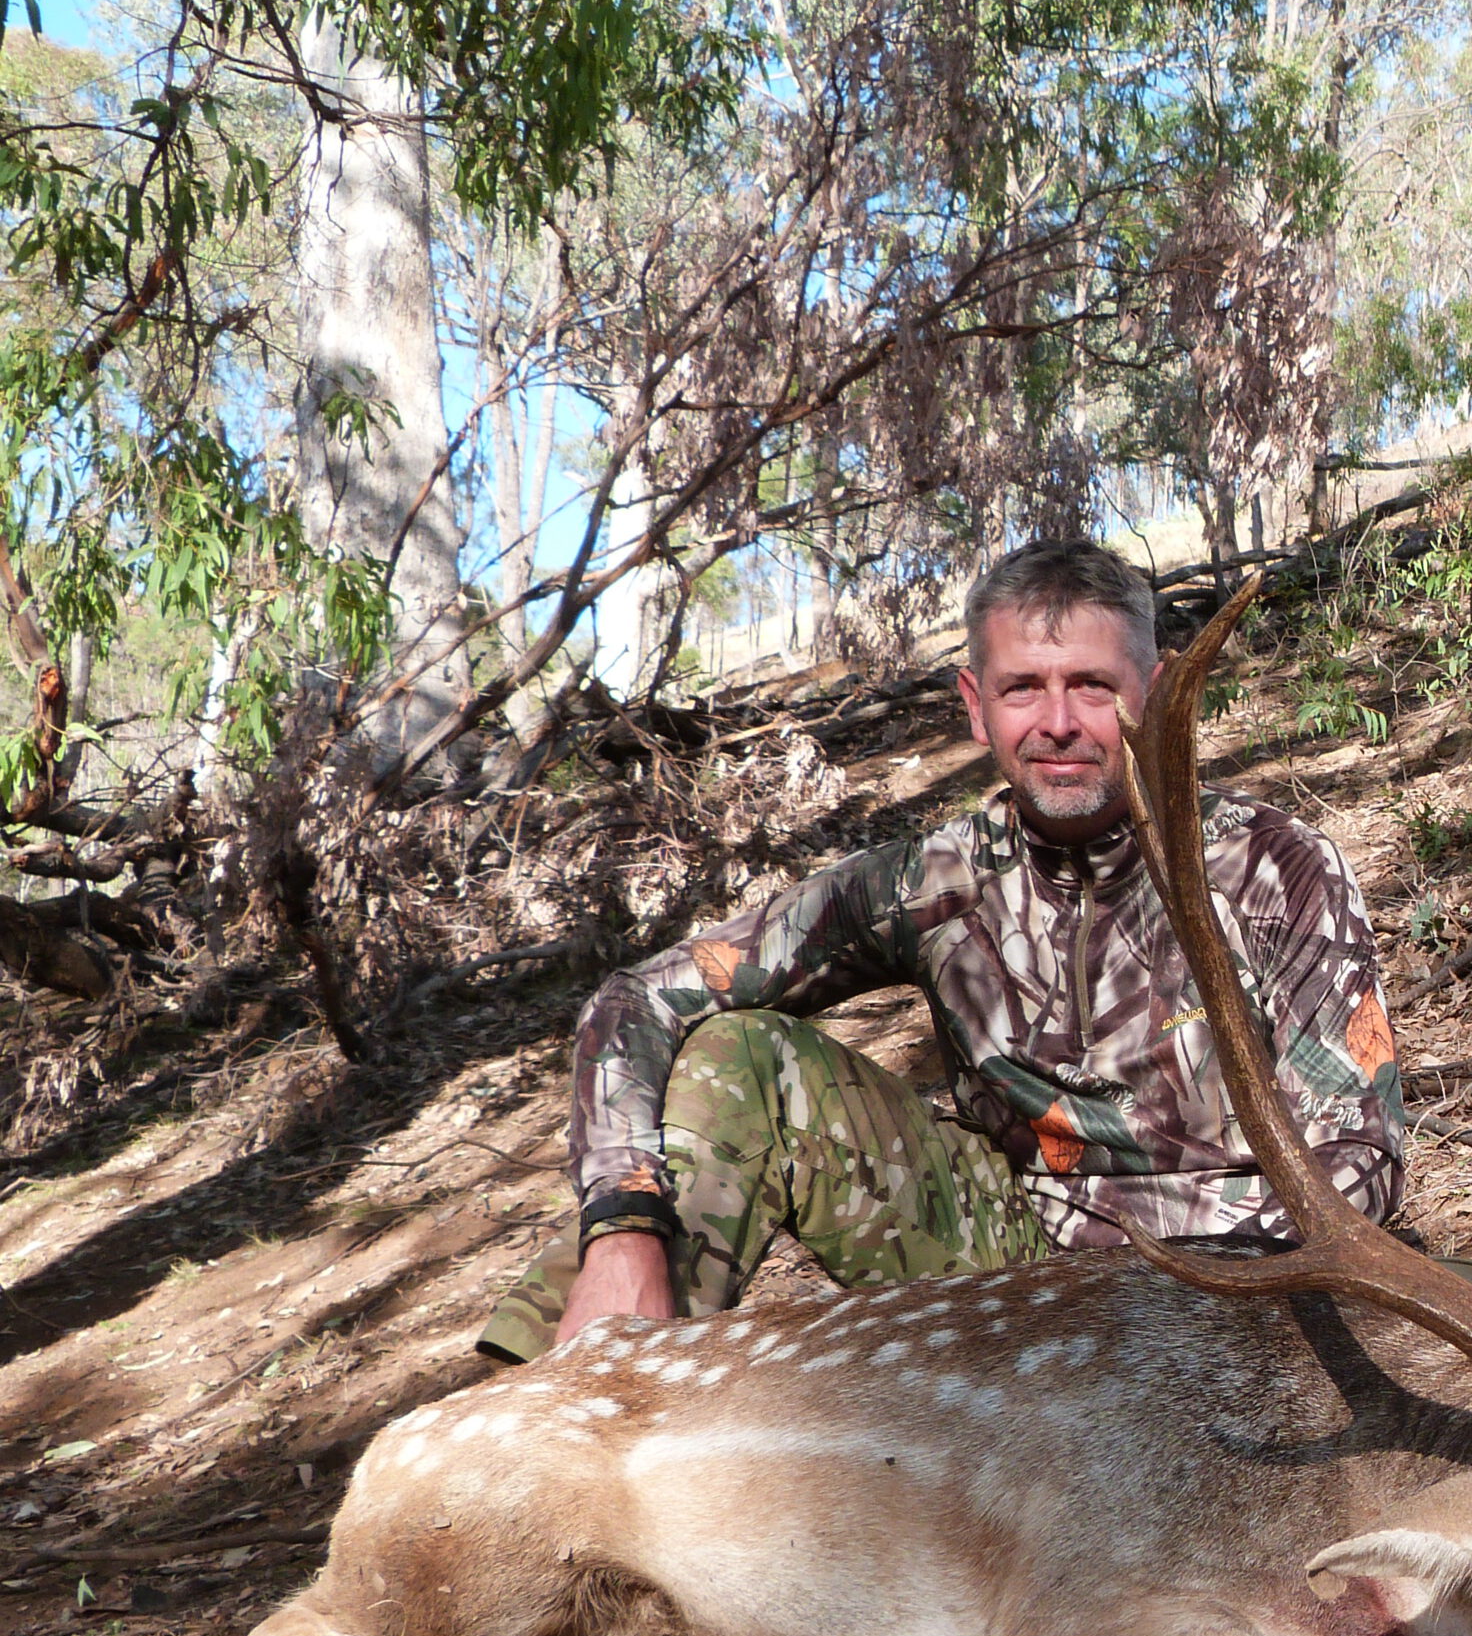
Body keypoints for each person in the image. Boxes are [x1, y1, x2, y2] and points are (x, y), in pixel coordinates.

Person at [477, 540, 1405, 1363]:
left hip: (1246, 1307)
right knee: (739, 1061)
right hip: (1018, 1288)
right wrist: (624, 1227)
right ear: (974, 705)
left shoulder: (1277, 869)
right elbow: (639, 999)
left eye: (1092, 685)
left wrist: (1201, 1312)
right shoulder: (933, 881)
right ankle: (544, 1445)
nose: (1059, 722)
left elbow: (1364, 1156)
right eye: (1021, 689)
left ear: (1155, 694)